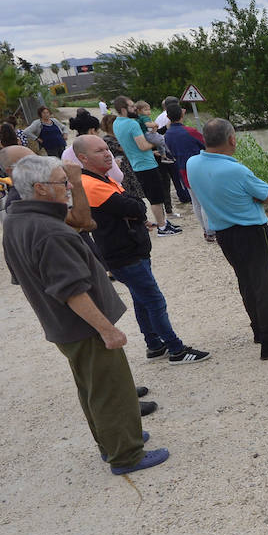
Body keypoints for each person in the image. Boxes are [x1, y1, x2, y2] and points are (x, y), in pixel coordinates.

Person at [0, 155, 168, 474]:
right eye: (60, 182)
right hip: (85, 328)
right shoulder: (50, 232)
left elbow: (79, 223)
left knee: (93, 387)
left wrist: (75, 184)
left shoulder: (16, 219)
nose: (66, 186)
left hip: (63, 327)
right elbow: (72, 291)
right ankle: (126, 455)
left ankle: (114, 441)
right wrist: (107, 330)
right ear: (40, 188)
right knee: (111, 390)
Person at [74, 135, 211, 365]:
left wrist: (135, 214)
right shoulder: (91, 184)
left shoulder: (101, 179)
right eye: (99, 151)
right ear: (83, 158)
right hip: (124, 254)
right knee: (154, 301)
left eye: (107, 148)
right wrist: (135, 213)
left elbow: (132, 206)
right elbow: (134, 205)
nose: (107, 153)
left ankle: (154, 345)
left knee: (142, 300)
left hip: (127, 250)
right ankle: (176, 350)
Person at [187, 118, 268, 361]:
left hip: (224, 234)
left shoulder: (192, 163)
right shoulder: (236, 169)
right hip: (252, 232)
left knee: (247, 282)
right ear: (231, 139)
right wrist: (249, 199)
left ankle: (260, 330)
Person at [110, 95, 180, 235]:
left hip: (137, 163)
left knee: (154, 195)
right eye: (131, 106)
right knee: (156, 197)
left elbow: (131, 144)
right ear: (123, 109)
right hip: (146, 164)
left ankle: (164, 222)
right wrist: (158, 142)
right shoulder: (132, 124)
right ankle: (162, 227)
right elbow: (142, 146)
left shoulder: (117, 123)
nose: (134, 108)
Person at [161, 103, 211, 240]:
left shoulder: (168, 135)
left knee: (196, 202)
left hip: (183, 170)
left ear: (167, 117)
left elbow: (169, 153)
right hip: (199, 169)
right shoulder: (190, 131)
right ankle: (210, 231)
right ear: (182, 114)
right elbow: (207, 145)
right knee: (205, 202)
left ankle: (205, 230)